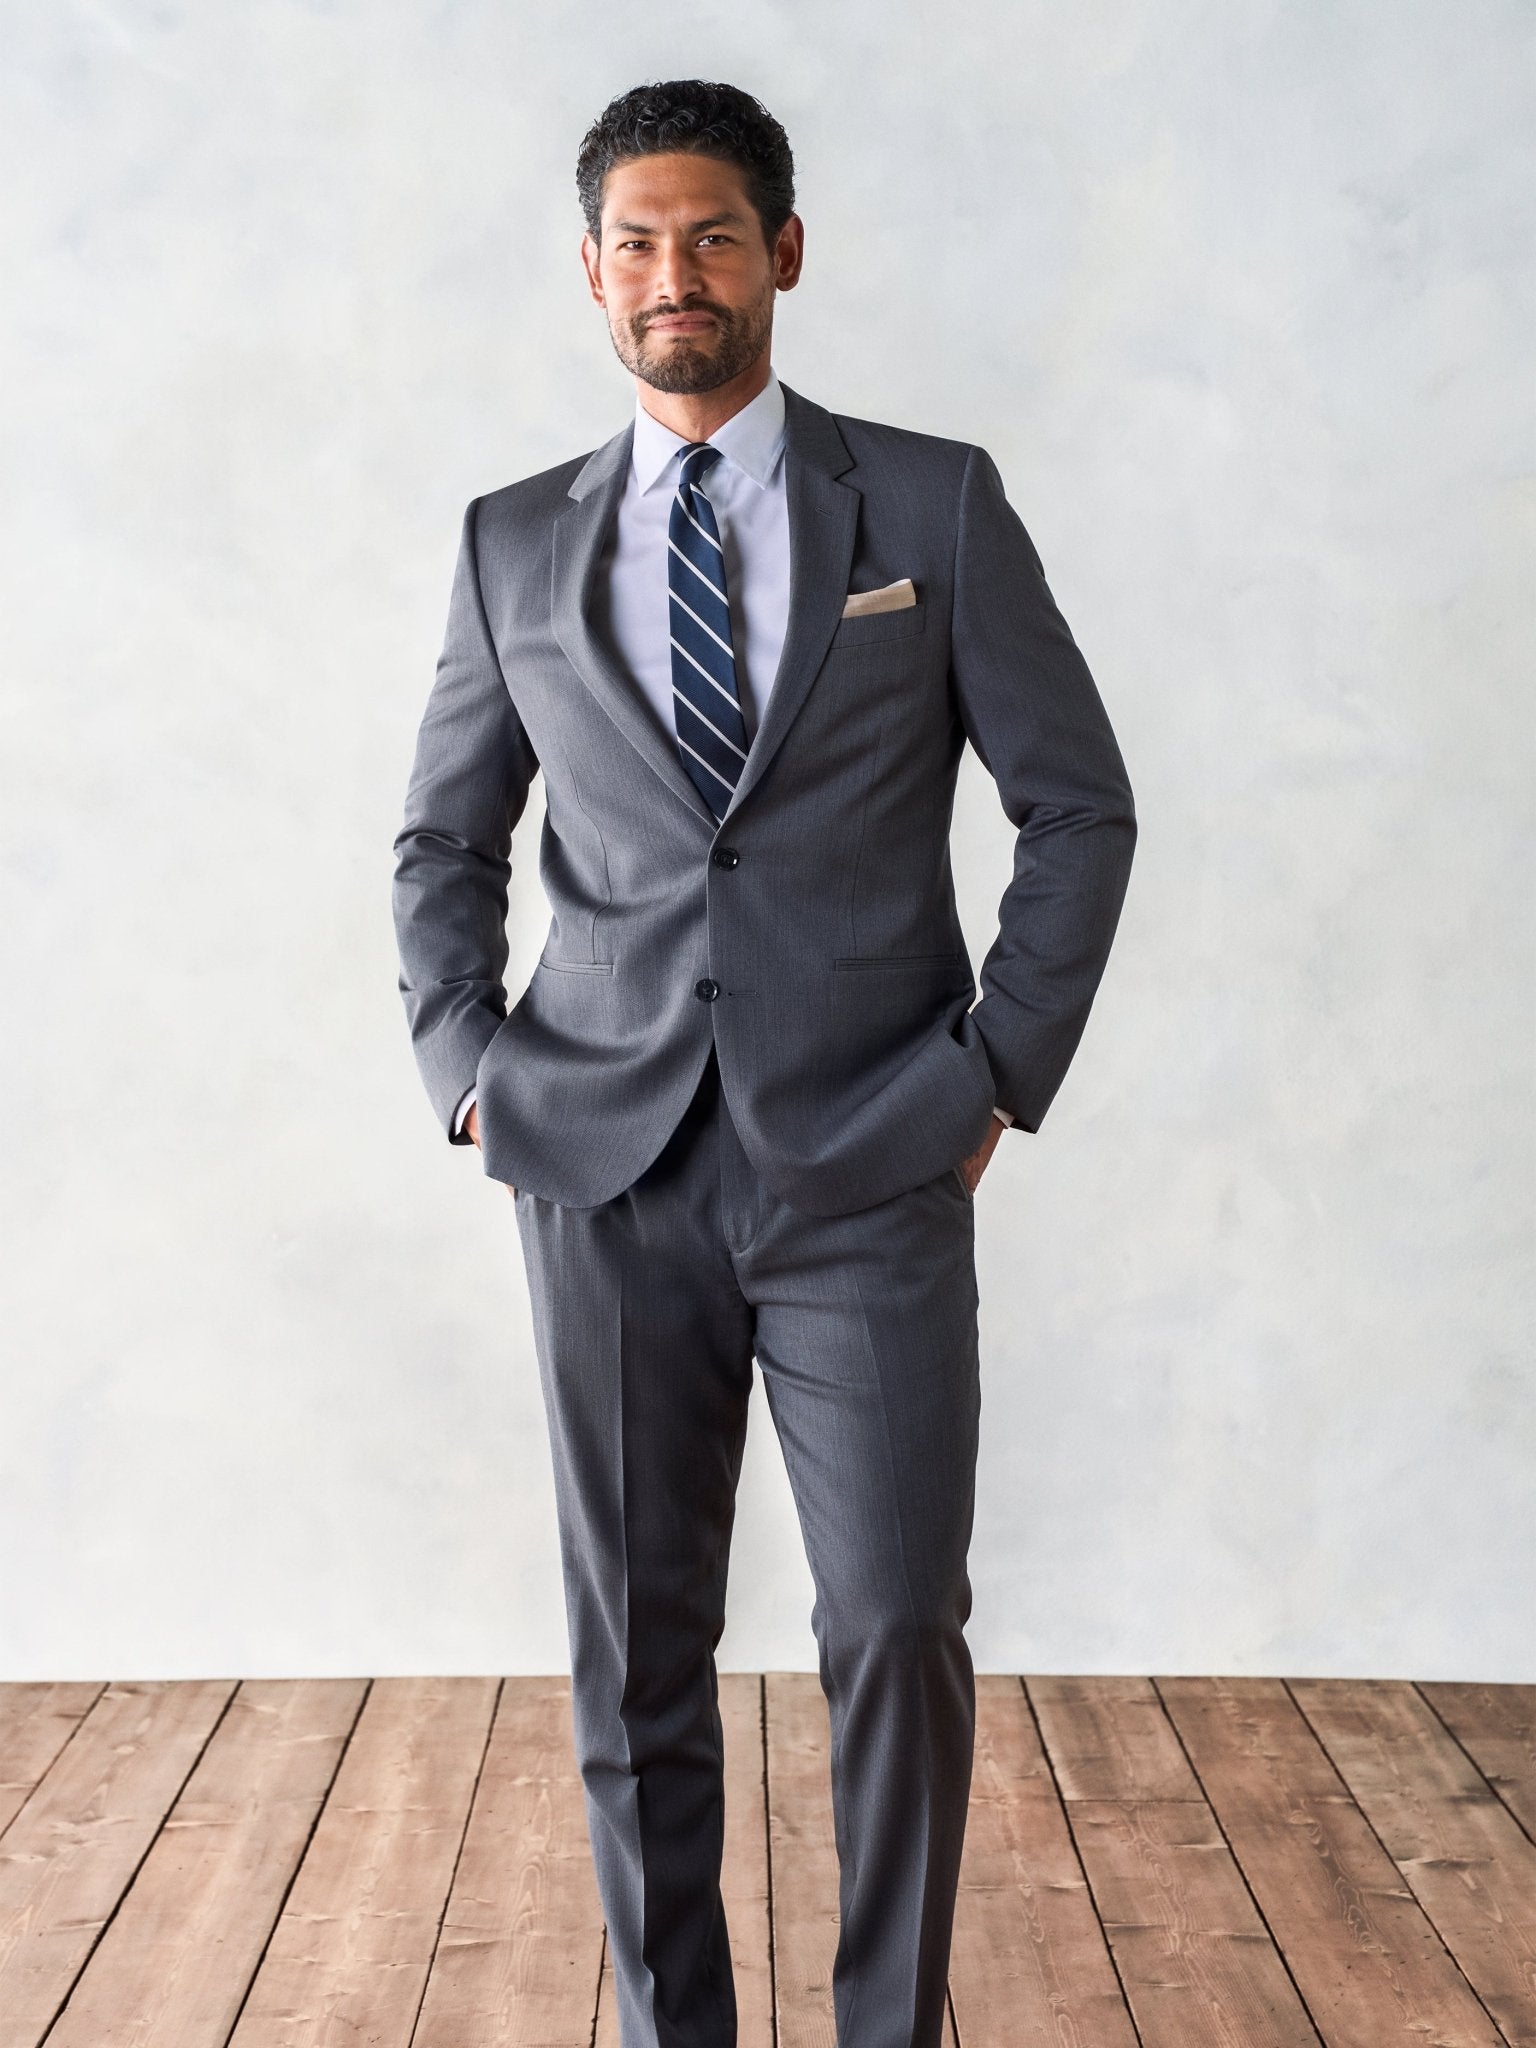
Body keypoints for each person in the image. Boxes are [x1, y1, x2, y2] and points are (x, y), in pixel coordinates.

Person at [392, 77, 1136, 2048]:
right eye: (635, 243)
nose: (674, 276)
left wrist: (993, 1072)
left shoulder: (932, 505)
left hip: (871, 1166)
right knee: (636, 1654)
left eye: (712, 233)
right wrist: (468, 1064)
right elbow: (442, 843)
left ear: (784, 252)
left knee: (896, 1625)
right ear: (589, 274)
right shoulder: (507, 547)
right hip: (603, 1170)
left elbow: (1080, 808)